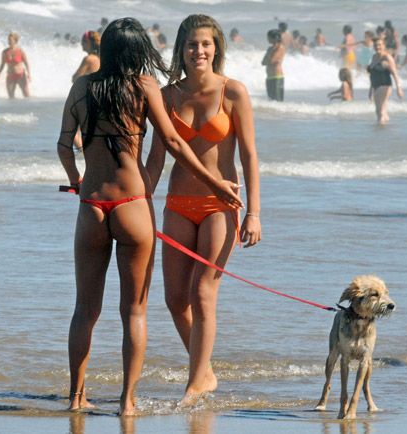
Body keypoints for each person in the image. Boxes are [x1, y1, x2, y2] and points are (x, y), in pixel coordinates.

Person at [56, 17, 242, 416]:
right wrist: (214, 182)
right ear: (137, 50)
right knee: (134, 311)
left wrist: (75, 180)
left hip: (91, 207)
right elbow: (172, 140)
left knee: (85, 310)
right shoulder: (144, 86)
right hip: (132, 205)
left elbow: (63, 144)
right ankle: (127, 403)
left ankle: (76, 397)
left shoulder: (82, 87)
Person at [146, 14, 261, 406]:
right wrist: (138, 201)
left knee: (202, 292)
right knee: (174, 300)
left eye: (206, 44)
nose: (199, 50)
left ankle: (195, 383)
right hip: (177, 204)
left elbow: (249, 155)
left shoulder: (233, 92)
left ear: (216, 48)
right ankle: (205, 371)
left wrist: (254, 212)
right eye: (192, 44)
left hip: (220, 205)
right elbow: (156, 159)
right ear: (181, 49)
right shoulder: (167, 96)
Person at [71, 31, 101, 151]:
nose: (81, 43)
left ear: (88, 42)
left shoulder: (89, 59)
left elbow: (75, 78)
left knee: (72, 130)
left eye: (83, 41)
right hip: (99, 98)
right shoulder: (100, 58)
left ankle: (83, 155)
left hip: (88, 99)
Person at [367, 37, 403, 124]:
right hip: (376, 86)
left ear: (384, 46)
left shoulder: (387, 57)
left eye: (379, 45)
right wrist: (370, 89)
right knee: (379, 110)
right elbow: (372, 74)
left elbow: (395, 73)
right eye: (375, 45)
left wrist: (399, 88)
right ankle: (385, 127)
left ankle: (380, 128)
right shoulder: (374, 57)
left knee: (380, 110)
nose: (377, 47)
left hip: (384, 85)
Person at [0, 32, 31, 98]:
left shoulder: (20, 51)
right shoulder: (5, 52)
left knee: (26, 95)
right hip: (10, 77)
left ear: (15, 41)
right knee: (11, 97)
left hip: (21, 76)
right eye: (8, 40)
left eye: (10, 40)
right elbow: (2, 64)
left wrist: (29, 74)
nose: (9, 42)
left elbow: (26, 63)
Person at [261, 29, 285, 101]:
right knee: (271, 100)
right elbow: (263, 62)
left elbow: (272, 60)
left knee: (278, 101)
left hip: (277, 77)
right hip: (269, 77)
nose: (267, 39)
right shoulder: (270, 48)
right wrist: (269, 59)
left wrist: (269, 58)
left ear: (275, 38)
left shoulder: (280, 48)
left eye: (269, 37)